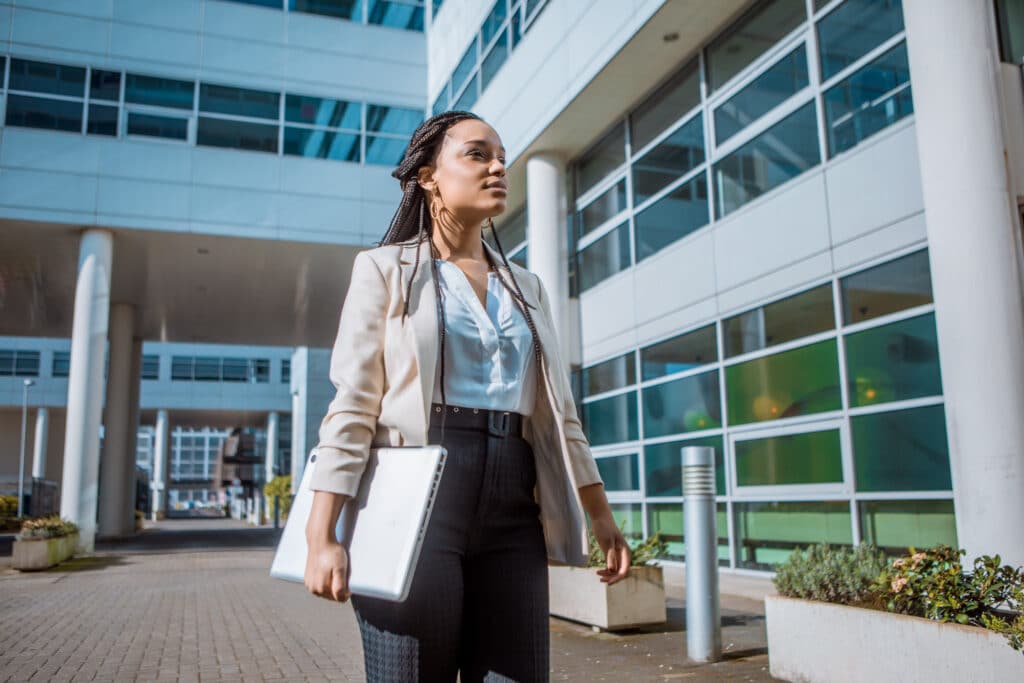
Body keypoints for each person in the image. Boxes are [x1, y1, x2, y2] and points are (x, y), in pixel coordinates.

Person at [303, 110, 631, 682]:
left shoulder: (526, 287)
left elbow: (559, 412)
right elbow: (353, 404)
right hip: (415, 495)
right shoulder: (384, 270)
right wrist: (321, 534)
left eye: (502, 155)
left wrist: (599, 513)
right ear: (429, 175)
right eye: (478, 154)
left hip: (513, 498)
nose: (498, 165)